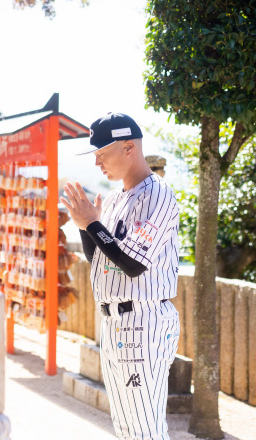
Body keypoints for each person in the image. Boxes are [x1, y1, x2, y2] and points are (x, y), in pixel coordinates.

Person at [59, 112, 180, 440]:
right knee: (126, 428)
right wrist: (87, 227)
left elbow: (134, 265)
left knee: (145, 429)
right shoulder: (113, 199)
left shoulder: (157, 193)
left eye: (102, 153)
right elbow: (101, 259)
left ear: (129, 147)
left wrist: (94, 224)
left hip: (144, 321)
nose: (98, 162)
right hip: (113, 322)